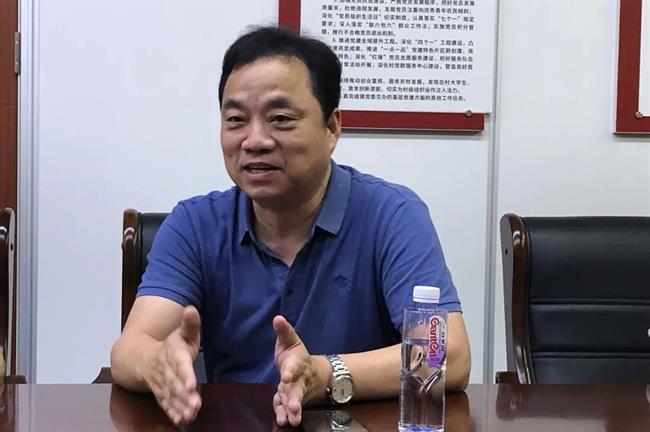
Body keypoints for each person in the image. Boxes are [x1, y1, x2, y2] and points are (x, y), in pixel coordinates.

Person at [110, 26, 471, 427]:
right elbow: (128, 350)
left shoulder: (393, 215)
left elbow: (449, 357)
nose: (254, 140)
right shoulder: (194, 225)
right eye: (236, 120)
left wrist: (325, 374)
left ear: (332, 128)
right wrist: (157, 362)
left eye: (280, 119)